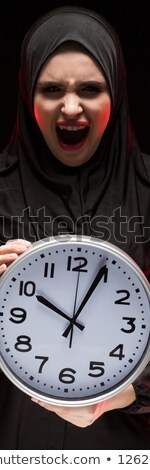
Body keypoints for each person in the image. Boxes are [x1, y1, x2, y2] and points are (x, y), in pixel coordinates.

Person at [0, 4, 149, 450]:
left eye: (89, 88)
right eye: (50, 89)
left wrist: (125, 393)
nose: (70, 106)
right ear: (29, 97)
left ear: (115, 95)